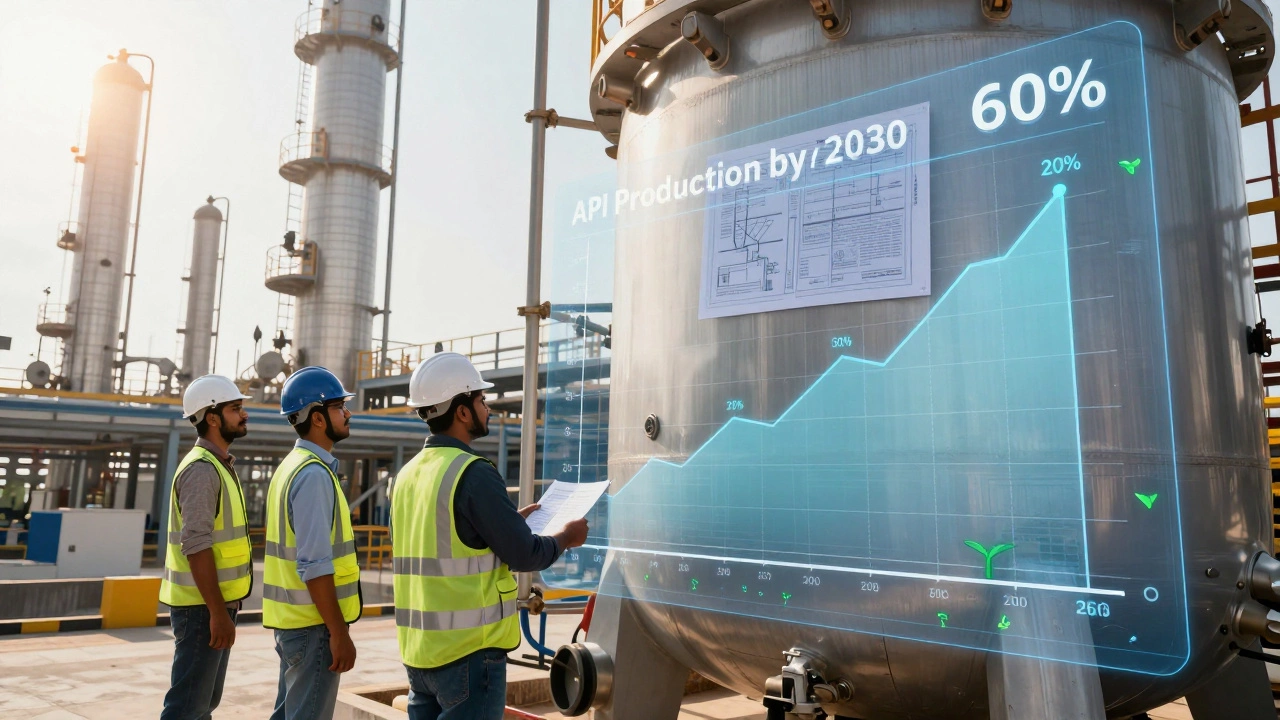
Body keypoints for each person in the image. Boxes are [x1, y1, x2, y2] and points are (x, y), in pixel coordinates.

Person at [392, 352, 589, 719]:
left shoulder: (407, 475)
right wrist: (566, 536)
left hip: (419, 655)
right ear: (462, 411)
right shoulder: (474, 472)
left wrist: (507, 522)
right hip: (468, 655)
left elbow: (446, 537)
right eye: (481, 400)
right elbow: (526, 554)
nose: (488, 409)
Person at [265, 367, 364, 720]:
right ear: (318, 417)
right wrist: (338, 633)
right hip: (313, 628)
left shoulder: (292, 466)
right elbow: (315, 564)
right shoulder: (312, 475)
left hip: (296, 624)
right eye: (340, 407)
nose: (348, 413)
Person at [160, 375, 253, 720]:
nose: (244, 415)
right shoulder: (202, 470)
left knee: (201, 706)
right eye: (236, 408)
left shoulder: (218, 464)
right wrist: (216, 612)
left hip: (212, 605)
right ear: (212, 417)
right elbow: (196, 545)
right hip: (202, 608)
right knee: (187, 707)